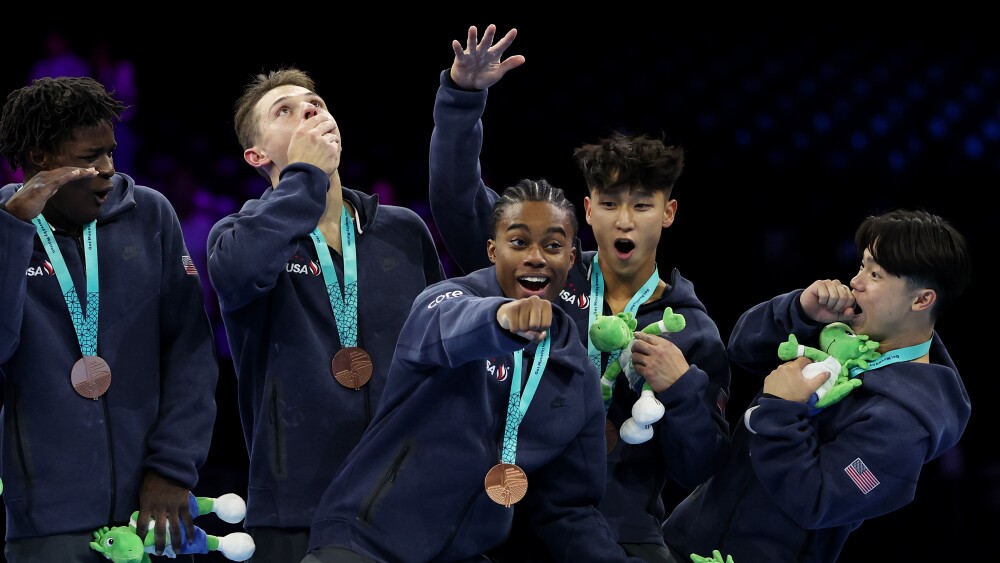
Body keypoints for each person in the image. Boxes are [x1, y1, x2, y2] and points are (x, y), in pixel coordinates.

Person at [428, 25, 731, 561]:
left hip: (618, 533)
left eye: (642, 205)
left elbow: (699, 469)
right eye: (610, 203)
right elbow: (458, 202)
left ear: (668, 213)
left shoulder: (692, 330)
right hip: (504, 515)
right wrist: (462, 98)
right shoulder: (545, 272)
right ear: (588, 211)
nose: (625, 221)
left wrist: (682, 389)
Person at [303, 179, 643, 563]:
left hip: (461, 554)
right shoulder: (444, 301)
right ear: (492, 250)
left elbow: (570, 511)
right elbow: (450, 326)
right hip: (363, 542)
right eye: (518, 243)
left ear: (571, 258)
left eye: (552, 245)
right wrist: (501, 319)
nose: (535, 257)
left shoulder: (578, 376)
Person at [206, 67, 445, 563]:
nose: (309, 110)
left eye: (315, 102)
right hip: (297, 505)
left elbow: (437, 347)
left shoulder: (403, 230)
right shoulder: (236, 236)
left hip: (410, 496)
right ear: (258, 156)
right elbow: (240, 272)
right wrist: (306, 177)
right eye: (285, 111)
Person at [660, 209, 972, 563]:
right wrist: (799, 311)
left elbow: (816, 500)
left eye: (876, 274)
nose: (856, 282)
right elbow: (741, 348)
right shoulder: (844, 331)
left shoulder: (908, 422)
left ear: (921, 300)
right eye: (861, 266)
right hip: (681, 538)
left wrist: (781, 409)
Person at [0, 76, 219, 561]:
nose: (107, 171)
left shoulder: (149, 214)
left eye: (111, 154)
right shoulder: (4, 229)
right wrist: (13, 233)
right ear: (40, 158)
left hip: (152, 515)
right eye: (88, 157)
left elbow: (190, 351)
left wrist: (173, 468)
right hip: (44, 523)